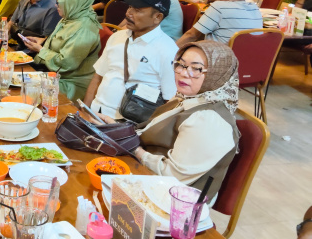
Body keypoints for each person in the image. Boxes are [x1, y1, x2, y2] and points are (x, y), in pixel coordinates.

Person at [96, 42, 240, 197]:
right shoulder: (188, 98)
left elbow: (173, 177)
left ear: (217, 75)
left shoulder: (209, 120)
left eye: (196, 69)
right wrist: (118, 129)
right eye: (181, 65)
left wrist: (132, 147)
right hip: (144, 174)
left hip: (170, 199)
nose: (183, 73)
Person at [84, 0, 178, 119]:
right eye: (130, 7)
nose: (128, 13)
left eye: (137, 10)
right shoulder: (117, 37)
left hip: (129, 122)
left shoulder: (168, 50)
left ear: (157, 17)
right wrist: (85, 111)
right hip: (97, 111)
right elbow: (98, 77)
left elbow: (171, 100)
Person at [23, 0, 101, 100]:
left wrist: (41, 50)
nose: (56, 5)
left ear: (72, 1)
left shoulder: (84, 29)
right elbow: (61, 40)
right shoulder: (72, 16)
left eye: (59, 2)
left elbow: (65, 64)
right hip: (54, 76)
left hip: (71, 84)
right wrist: (42, 41)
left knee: (25, 91)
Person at [177, 0, 263, 46]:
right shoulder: (253, 7)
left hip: (222, 58)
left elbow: (192, 35)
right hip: (250, 58)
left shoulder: (219, 7)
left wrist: (172, 52)